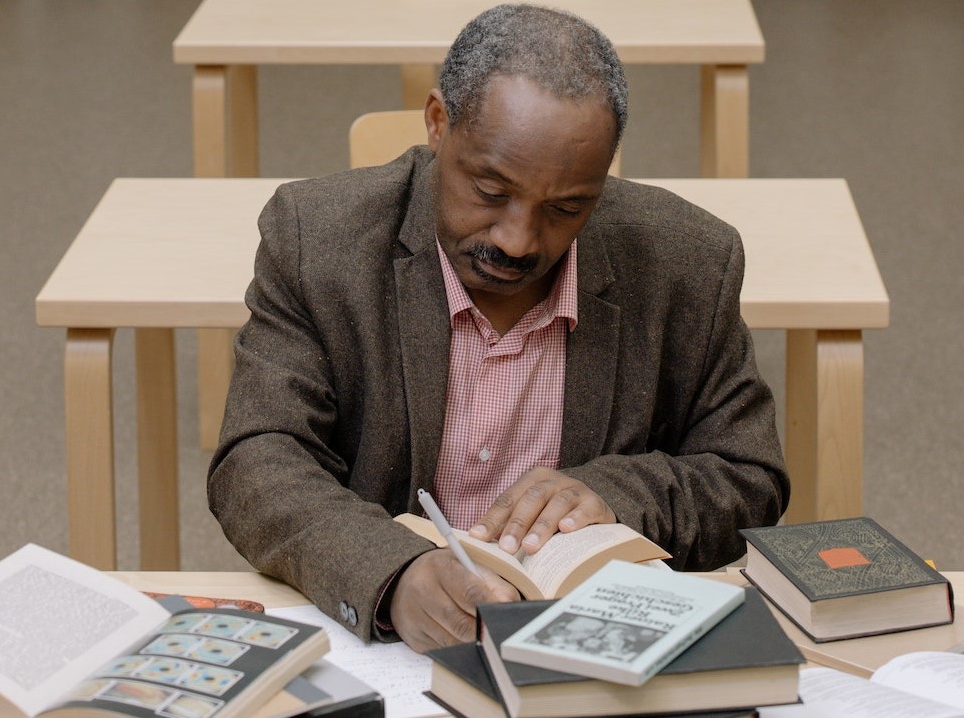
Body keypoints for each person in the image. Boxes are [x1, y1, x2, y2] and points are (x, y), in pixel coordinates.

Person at [208, 3, 788, 654]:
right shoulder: (316, 238)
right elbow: (258, 461)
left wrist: (613, 494)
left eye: (566, 208)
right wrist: (392, 573)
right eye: (488, 190)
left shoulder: (686, 261)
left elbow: (747, 477)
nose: (517, 241)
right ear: (437, 123)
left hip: (595, 655)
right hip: (391, 647)